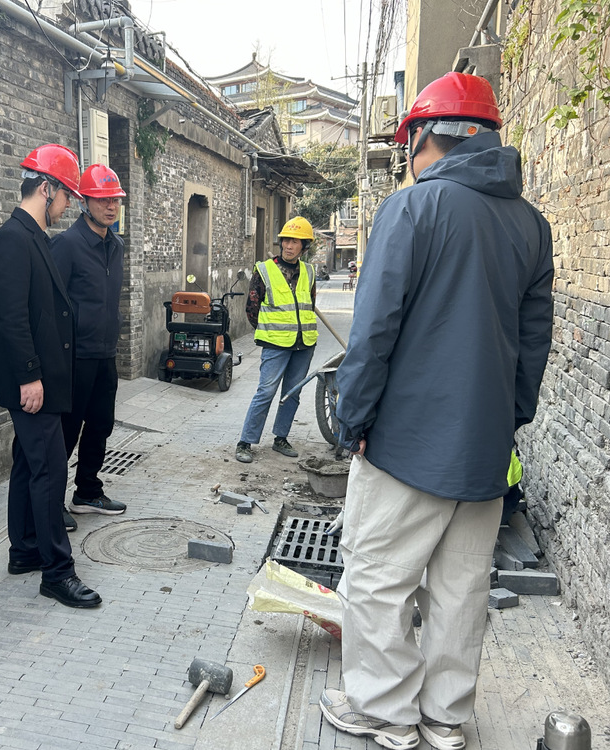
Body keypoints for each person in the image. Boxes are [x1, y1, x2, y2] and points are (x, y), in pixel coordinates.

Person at [319, 72, 553, 750]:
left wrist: (354, 420)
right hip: (484, 448)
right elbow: (532, 342)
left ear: (428, 135)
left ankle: (384, 712)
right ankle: (445, 718)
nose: (408, 158)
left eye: (409, 144)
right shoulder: (531, 226)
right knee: (461, 587)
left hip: (405, 443)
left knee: (377, 577)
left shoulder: (413, 209)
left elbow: (374, 330)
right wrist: (506, 420)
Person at [0, 143, 102, 609]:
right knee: (50, 469)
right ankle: (57, 572)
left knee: (28, 463)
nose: (69, 204)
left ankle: (25, 550)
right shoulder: (13, 239)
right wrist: (30, 377)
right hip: (31, 382)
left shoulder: (33, 236)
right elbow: (11, 317)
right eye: (67, 194)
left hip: (41, 378)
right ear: (46, 188)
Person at [50, 164, 128, 532]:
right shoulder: (66, 245)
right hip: (74, 357)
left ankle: (87, 492)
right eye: (102, 199)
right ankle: (51, 502)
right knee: (66, 431)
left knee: (100, 425)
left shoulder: (117, 246)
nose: (111, 207)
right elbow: (50, 304)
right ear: (84, 201)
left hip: (105, 355)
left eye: (115, 200)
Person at [235, 216, 318, 463]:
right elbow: (252, 308)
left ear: (304, 247)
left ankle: (281, 438)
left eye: (295, 242)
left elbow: (310, 304)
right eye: (286, 241)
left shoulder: (309, 272)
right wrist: (269, 331)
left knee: (292, 393)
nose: (289, 246)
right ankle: (245, 442)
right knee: (266, 392)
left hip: (304, 344)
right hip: (275, 344)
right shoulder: (264, 270)